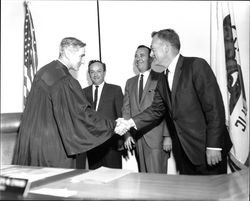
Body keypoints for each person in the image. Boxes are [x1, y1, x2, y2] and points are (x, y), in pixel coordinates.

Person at [116, 29, 233, 175]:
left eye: (153, 49)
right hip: (184, 153)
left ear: (166, 48)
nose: (151, 55)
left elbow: (214, 109)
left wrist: (214, 146)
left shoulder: (196, 65)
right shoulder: (161, 77)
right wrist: (130, 123)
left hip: (207, 150)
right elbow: (155, 110)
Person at [12, 37, 119, 168]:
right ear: (68, 53)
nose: (83, 61)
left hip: (33, 146)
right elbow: (81, 115)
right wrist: (113, 125)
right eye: (81, 55)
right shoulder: (64, 80)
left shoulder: (44, 71)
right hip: (54, 150)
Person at [122, 45, 172, 173]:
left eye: (142, 55)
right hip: (138, 139)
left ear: (151, 59)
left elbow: (167, 108)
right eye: (136, 56)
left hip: (157, 139)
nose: (138, 58)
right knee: (144, 181)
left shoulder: (161, 77)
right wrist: (127, 134)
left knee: (157, 183)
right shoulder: (130, 82)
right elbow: (126, 110)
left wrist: (168, 136)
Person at [79, 60, 124, 169]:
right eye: (92, 71)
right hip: (92, 144)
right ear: (89, 74)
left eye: (99, 71)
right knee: (95, 179)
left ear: (104, 72)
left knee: (114, 178)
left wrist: (122, 139)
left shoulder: (115, 90)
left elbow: (121, 115)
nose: (95, 74)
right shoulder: (83, 92)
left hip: (111, 144)